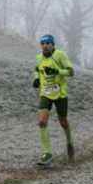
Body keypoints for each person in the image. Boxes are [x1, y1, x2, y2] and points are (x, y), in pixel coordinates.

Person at [32, 35, 74, 167]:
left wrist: (57, 71)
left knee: (63, 121)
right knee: (42, 122)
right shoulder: (39, 58)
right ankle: (47, 153)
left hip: (60, 94)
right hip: (45, 93)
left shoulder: (59, 55)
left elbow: (71, 72)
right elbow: (37, 69)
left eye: (48, 43)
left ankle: (69, 142)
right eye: (42, 43)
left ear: (53, 44)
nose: (45, 45)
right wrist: (36, 78)